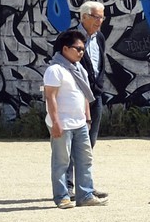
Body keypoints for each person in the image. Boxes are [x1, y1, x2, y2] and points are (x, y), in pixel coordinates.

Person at [43, 29, 105, 208]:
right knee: (62, 161)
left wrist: (87, 119)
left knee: (85, 159)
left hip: (80, 123)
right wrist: (55, 122)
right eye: (77, 49)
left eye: (83, 49)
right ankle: (62, 196)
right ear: (65, 49)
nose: (81, 52)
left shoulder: (79, 70)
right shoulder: (55, 70)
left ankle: (85, 195)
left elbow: (84, 94)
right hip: (62, 123)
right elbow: (50, 97)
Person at [75, 1, 109, 200]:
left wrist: (99, 87)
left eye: (102, 17)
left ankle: (85, 186)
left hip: (96, 96)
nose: (100, 21)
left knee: (90, 142)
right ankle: (69, 187)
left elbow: (99, 66)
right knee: (74, 142)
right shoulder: (71, 38)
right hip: (76, 97)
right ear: (84, 17)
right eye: (96, 17)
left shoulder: (100, 38)